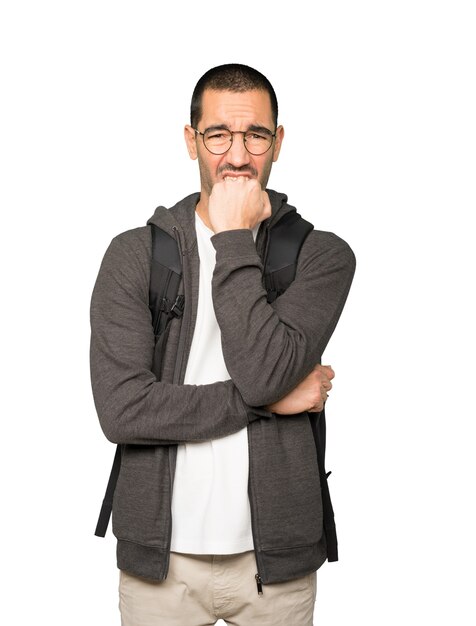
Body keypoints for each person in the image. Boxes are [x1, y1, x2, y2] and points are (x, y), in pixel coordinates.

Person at [90, 63, 356, 626]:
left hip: (276, 567)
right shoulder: (133, 255)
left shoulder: (323, 255)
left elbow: (261, 371)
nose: (237, 156)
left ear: (278, 142)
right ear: (192, 141)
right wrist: (267, 402)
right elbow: (122, 411)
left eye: (255, 135)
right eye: (218, 135)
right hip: (158, 566)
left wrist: (233, 237)